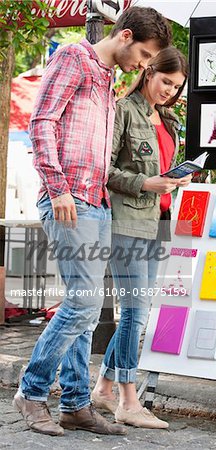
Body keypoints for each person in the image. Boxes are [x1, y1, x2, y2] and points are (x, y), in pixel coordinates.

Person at [13, 7, 172, 437]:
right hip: (68, 200)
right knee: (82, 303)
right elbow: (41, 121)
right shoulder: (72, 58)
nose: (142, 65)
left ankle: (75, 404)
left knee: (88, 310)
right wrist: (57, 186)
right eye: (141, 54)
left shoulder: (105, 78)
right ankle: (31, 392)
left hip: (97, 202)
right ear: (123, 36)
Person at [91, 46, 192, 428]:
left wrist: (174, 179)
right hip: (126, 223)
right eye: (166, 81)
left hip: (158, 223)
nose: (170, 91)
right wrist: (144, 182)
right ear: (148, 72)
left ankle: (102, 388)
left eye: (176, 86)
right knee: (135, 313)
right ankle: (128, 401)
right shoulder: (122, 110)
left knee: (140, 314)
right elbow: (104, 169)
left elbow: (161, 171)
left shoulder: (168, 120)